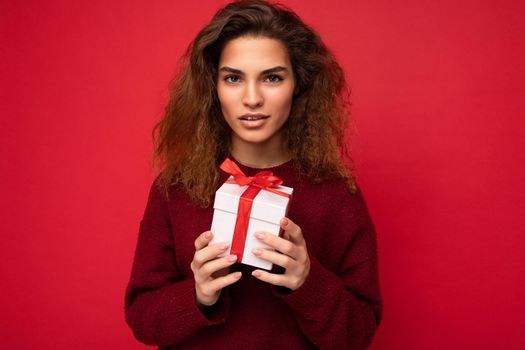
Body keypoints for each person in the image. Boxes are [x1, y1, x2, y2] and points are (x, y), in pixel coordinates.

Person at [124, 0, 382, 349]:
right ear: (213, 88)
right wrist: (197, 294)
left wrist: (308, 281)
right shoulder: (176, 189)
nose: (252, 98)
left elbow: (359, 333)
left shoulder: (337, 196)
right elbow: (142, 318)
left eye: (272, 77)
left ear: (298, 85)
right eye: (233, 78)